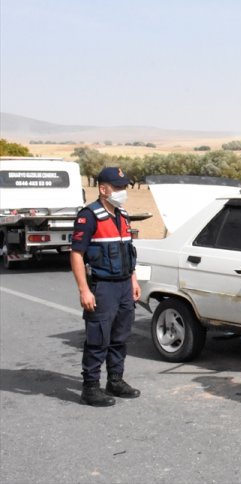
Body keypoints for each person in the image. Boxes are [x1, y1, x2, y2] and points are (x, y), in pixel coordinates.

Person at [70, 166, 141, 407]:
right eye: (118, 187)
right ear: (103, 189)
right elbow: (77, 255)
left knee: (120, 337)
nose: (122, 191)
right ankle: (90, 388)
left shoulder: (122, 215)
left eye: (124, 187)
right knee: (98, 338)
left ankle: (115, 381)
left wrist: (133, 280)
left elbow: (128, 252)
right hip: (103, 287)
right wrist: (84, 290)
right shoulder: (88, 216)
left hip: (123, 286)